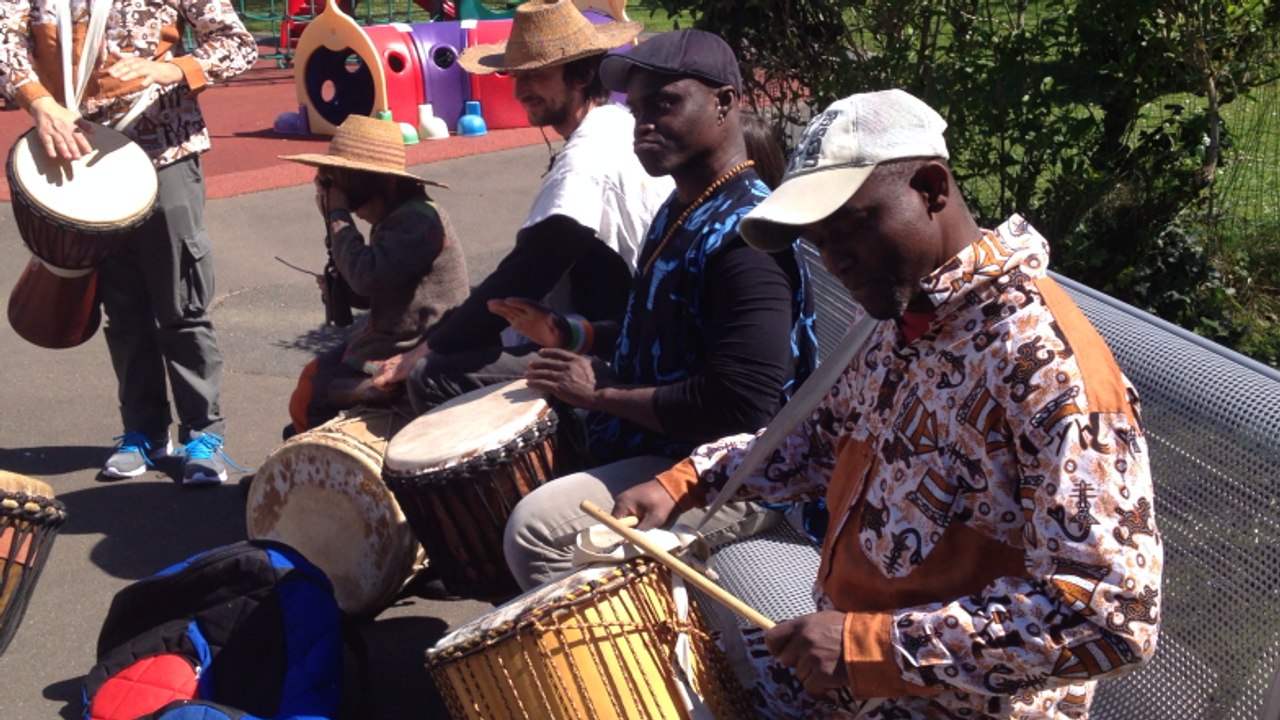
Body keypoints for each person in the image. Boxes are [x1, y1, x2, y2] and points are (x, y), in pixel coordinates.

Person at [615, 90, 1162, 718]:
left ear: (932, 187)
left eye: (851, 227)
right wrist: (689, 480)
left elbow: (1111, 617)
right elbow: (819, 441)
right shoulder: (900, 320)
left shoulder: (1049, 373)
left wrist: (872, 649)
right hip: (851, 679)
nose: (835, 260)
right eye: (819, 240)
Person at [498, 29, 818, 591]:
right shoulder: (684, 203)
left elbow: (743, 405)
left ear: (725, 103)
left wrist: (599, 395)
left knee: (538, 529)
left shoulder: (746, 238)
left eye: (664, 104)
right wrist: (570, 334)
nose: (643, 123)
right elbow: (661, 328)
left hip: (737, 474)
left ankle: (624, 677)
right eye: (637, 108)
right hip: (667, 445)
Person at [0, 0, 257, 484]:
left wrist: (169, 69)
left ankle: (204, 434)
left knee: (182, 306)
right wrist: (38, 100)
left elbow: (238, 44)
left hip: (166, 154)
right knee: (123, 309)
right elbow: (3, 40)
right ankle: (143, 431)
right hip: (83, 159)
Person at [371, 0, 673, 409]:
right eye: (516, 75)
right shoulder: (617, 124)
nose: (519, 90)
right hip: (623, 327)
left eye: (536, 75)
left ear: (583, 74)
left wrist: (425, 350)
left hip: (619, 350)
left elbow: (527, 271)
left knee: (433, 376)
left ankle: (552, 462)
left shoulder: (588, 157)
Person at [279, 115, 470, 435]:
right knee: (311, 376)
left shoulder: (417, 220)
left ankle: (318, 464)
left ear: (381, 182)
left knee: (312, 397)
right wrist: (337, 283)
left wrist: (336, 217)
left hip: (415, 349)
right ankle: (301, 452)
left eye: (349, 190)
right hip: (390, 338)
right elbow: (373, 290)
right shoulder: (398, 214)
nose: (353, 209)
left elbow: (368, 277)